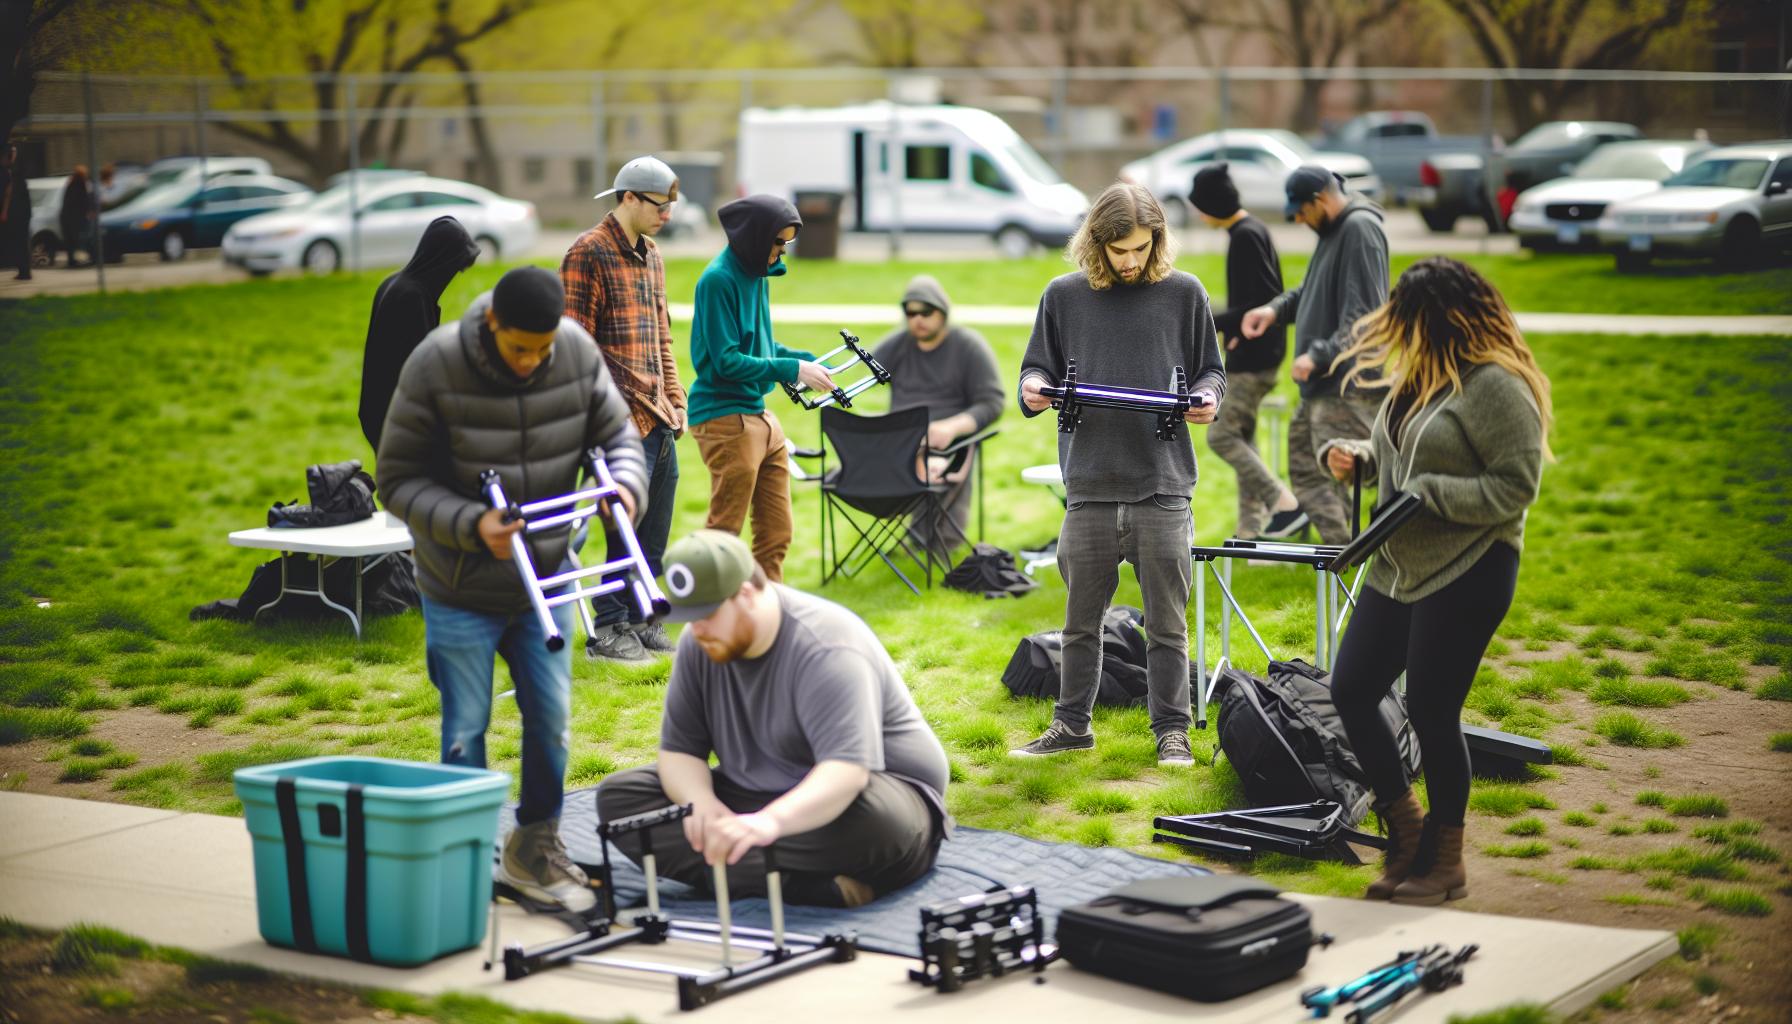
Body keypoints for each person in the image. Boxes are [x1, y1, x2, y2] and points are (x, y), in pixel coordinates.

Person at [377, 266, 648, 913]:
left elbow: (617, 435)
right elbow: (397, 479)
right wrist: (473, 525)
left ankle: (535, 848)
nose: (531, 362)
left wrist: (628, 487)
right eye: (519, 348)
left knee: (551, 722)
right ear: (493, 321)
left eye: (542, 350)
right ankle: (466, 857)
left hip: (545, 579)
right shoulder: (436, 364)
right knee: (466, 729)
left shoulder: (574, 352)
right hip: (459, 584)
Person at [1322, 257, 1550, 906]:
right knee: (1352, 687)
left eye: (1410, 320)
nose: (1399, 333)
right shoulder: (1418, 377)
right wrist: (1358, 460)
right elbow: (1402, 456)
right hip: (1398, 562)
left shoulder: (1497, 385)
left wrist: (1431, 494)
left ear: (1447, 318)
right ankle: (1406, 830)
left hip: (1472, 565)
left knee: (1430, 709)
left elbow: (1516, 486)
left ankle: (1445, 861)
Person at [596, 529, 950, 907]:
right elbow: (680, 752)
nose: (695, 630)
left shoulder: (826, 645)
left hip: (872, 798)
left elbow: (846, 773)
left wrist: (768, 825)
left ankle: (736, 868)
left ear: (746, 595)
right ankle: (800, 885)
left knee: (879, 823)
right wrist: (701, 805)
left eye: (706, 615)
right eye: (687, 618)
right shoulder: (699, 643)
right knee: (621, 800)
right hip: (759, 796)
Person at [1009, 182, 1225, 767]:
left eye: (1140, 248)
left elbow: (1211, 370)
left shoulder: (1184, 293)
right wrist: (1032, 390)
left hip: (1163, 484)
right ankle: (1071, 725)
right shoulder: (1063, 296)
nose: (1129, 261)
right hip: (1090, 485)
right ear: (1095, 243)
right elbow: (1035, 369)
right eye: (1117, 250)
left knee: (1167, 627)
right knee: (1080, 624)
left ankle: (1172, 732)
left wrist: (1206, 396)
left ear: (1156, 240)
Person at [562, 156, 689, 662]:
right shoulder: (587, 253)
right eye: (660, 205)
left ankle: (640, 617)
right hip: (614, 422)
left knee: (654, 527)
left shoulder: (653, 255)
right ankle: (608, 627)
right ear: (629, 198)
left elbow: (662, 334)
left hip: (658, 414)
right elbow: (576, 350)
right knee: (623, 526)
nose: (668, 215)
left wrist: (676, 397)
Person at [686, 194, 835, 582]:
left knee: (776, 533)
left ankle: (768, 619)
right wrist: (793, 368)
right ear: (754, 236)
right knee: (725, 535)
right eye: (778, 242)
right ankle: (711, 620)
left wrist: (809, 361)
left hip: (757, 415)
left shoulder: (756, 273)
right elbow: (727, 361)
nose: (782, 251)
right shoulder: (718, 280)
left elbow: (762, 348)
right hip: (724, 417)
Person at [1239, 165, 1389, 545]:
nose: (1301, 220)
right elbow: (1313, 290)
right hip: (1322, 385)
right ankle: (1344, 556)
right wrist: (1274, 310)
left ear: (1320, 199)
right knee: (1307, 471)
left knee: (1346, 477)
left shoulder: (1360, 230)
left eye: (1302, 212)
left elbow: (1366, 316)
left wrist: (1318, 355)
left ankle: (1354, 564)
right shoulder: (1332, 231)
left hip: (1347, 384)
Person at [1188, 163, 1306, 540]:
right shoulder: (1249, 231)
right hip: (1258, 351)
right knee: (1244, 437)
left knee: (1221, 436)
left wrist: (1207, 320)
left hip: (1255, 358)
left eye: (1200, 206)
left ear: (1213, 205)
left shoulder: (1245, 236)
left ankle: (1285, 504)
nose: (1198, 213)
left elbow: (1258, 304)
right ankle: (1250, 530)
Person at [870, 274, 1005, 562]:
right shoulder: (899, 345)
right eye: (911, 313)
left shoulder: (968, 346)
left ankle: (938, 539)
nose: (918, 319)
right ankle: (914, 536)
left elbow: (992, 402)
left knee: (937, 462)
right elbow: (858, 365)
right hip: (901, 442)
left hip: (950, 443)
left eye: (926, 312)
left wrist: (952, 427)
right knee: (851, 468)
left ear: (943, 312)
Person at [358, 216, 480, 452]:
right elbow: (423, 368)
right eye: (452, 268)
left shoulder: (393, 283)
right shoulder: (412, 298)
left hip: (377, 411)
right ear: (440, 260)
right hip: (397, 418)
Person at [0, 145, 31, 281]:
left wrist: (5, 211)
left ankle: (24, 272)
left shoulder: (13, 173)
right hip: (22, 213)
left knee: (20, 243)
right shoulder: (15, 174)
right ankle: (24, 271)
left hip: (19, 214)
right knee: (21, 243)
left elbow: (9, 194)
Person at [58, 165, 94, 268]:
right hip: (76, 218)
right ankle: (89, 258)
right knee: (84, 238)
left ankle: (71, 260)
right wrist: (89, 211)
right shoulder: (82, 186)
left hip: (67, 217)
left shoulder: (70, 185)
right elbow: (85, 201)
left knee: (71, 240)